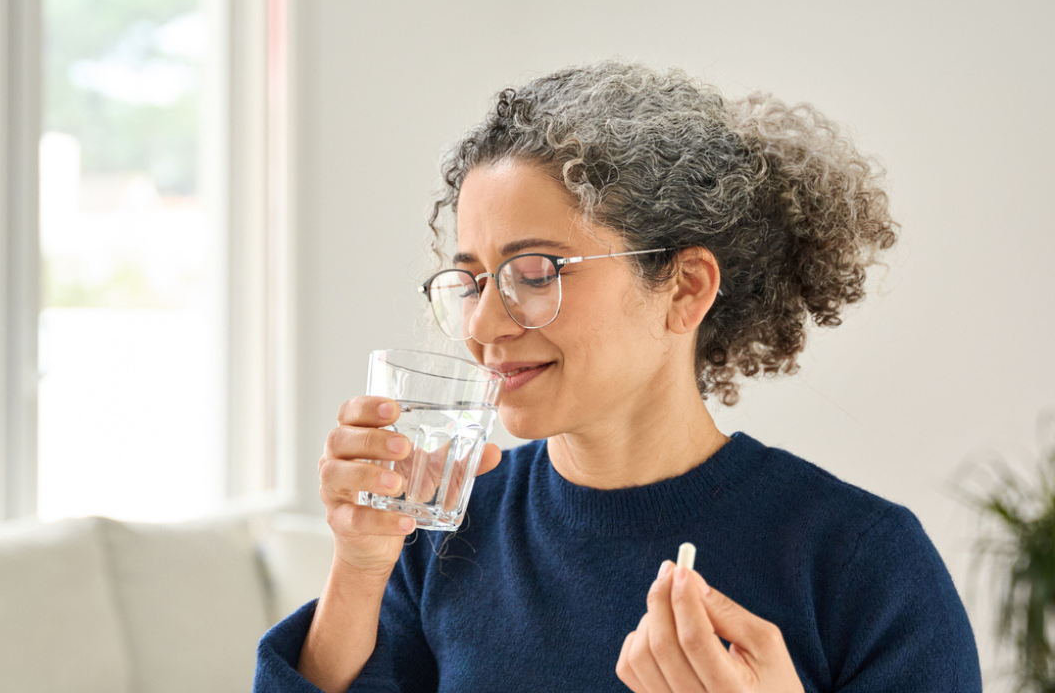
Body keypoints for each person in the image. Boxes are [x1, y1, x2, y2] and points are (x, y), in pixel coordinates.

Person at [254, 60, 981, 692]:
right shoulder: (452, 530)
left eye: (535, 273)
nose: (482, 327)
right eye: (472, 281)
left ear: (687, 288)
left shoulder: (863, 564)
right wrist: (358, 564)